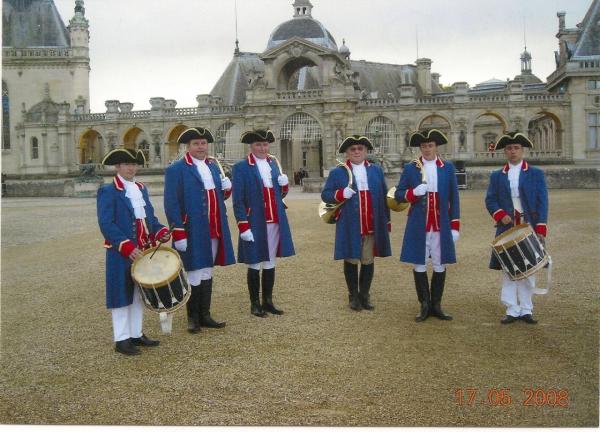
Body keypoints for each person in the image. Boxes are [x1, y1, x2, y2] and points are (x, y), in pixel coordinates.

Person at [97, 148, 170, 356]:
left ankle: (136, 333)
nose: (131, 168)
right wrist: (127, 247)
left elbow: (149, 220)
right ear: (118, 167)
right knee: (121, 295)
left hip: (144, 252)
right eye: (127, 164)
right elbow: (106, 224)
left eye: (134, 164)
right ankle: (121, 340)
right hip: (122, 253)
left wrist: (161, 231)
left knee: (139, 294)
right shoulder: (108, 191)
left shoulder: (140, 189)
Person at [164, 127, 235, 333]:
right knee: (193, 271)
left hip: (214, 227)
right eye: (196, 143)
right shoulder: (176, 169)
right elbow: (171, 204)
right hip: (191, 228)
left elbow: (217, 199)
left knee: (207, 270)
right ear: (188, 146)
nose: (201, 147)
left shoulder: (213, 167)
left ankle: (205, 315)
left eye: (203, 143)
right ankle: (192, 318)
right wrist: (178, 231)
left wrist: (227, 189)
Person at [393, 129, 461, 322]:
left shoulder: (447, 168)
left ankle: (436, 305)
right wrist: (413, 192)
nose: (427, 149)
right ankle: (424, 304)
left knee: (440, 263)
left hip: (441, 223)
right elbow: (399, 195)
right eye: (423, 146)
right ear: (420, 148)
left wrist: (455, 225)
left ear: (436, 147)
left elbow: (454, 199)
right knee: (419, 262)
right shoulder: (410, 168)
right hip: (418, 223)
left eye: (430, 145)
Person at [321, 135, 392, 311]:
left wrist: (387, 221)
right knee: (351, 259)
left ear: (366, 151)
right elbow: (326, 195)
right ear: (347, 152)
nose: (357, 152)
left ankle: (364, 295)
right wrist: (339, 194)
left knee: (368, 260)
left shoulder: (376, 170)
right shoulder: (338, 172)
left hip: (371, 223)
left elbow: (384, 197)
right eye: (353, 149)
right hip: (350, 224)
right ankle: (353, 296)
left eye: (360, 148)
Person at [485, 132, 548, 325]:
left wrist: (541, 228)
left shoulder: (536, 173)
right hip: (507, 226)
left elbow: (542, 201)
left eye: (516, 148)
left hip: (528, 225)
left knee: (528, 268)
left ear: (522, 150)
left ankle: (526, 309)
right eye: (510, 148)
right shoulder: (497, 176)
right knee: (509, 268)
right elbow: (490, 199)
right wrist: (499, 214)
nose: (513, 152)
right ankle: (512, 309)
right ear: (505, 151)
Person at [232, 129, 295, 317]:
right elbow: (238, 200)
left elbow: (279, 195)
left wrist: (284, 185)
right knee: (254, 262)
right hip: (254, 221)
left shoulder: (273, 165)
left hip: (275, 220)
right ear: (251, 146)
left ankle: (268, 301)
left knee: (270, 262)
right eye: (258, 144)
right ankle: (254, 304)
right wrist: (243, 226)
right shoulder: (241, 167)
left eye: (265, 144)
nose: (262, 148)